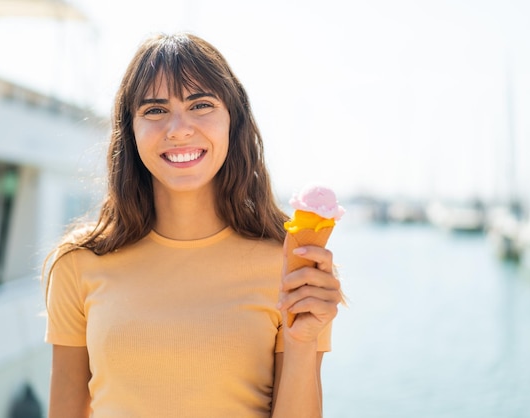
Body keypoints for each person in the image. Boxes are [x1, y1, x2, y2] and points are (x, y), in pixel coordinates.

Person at [44, 32, 343, 418]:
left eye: (200, 104)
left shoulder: (292, 268)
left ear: (233, 122)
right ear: (129, 132)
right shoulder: (77, 263)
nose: (179, 129)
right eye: (155, 110)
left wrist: (303, 341)